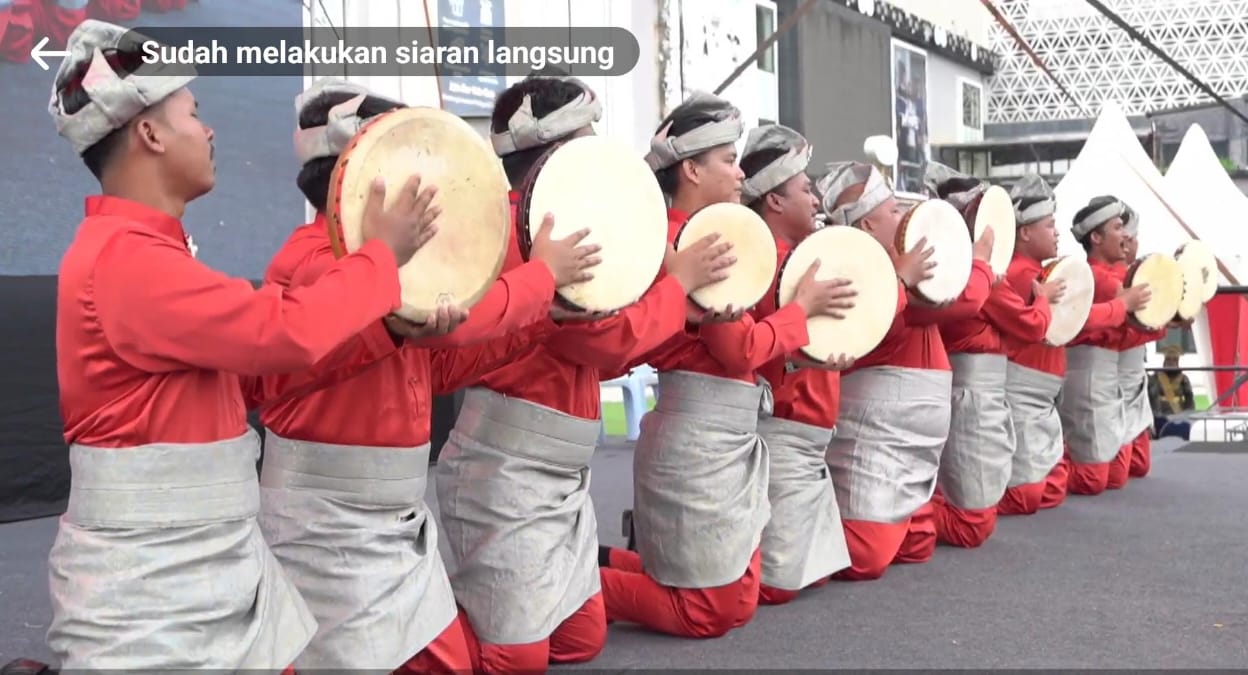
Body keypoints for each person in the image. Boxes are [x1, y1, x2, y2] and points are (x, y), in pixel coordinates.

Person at [44, 20, 435, 671]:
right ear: (150, 132)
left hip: (207, 565)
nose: (210, 129)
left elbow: (264, 372)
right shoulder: (127, 263)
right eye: (193, 114)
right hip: (159, 589)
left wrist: (389, 325)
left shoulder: (144, 255)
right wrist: (380, 259)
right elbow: (287, 332)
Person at [253, 78, 605, 674]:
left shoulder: (389, 267)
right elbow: (440, 333)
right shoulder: (316, 263)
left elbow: (434, 366)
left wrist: (539, 321)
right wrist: (541, 280)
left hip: (397, 514)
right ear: (362, 178)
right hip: (322, 520)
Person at [433, 76, 738, 674]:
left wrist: (676, 301)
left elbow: (611, 354)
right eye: (586, 137)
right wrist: (675, 287)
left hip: (561, 468)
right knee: (516, 658)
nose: (598, 148)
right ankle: (409, 629)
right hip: (503, 466)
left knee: (579, 641)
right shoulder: (518, 231)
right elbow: (604, 344)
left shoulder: (562, 223)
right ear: (554, 153)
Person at [597, 92, 856, 638]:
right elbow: (738, 350)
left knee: (736, 597)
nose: (741, 174)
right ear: (690, 168)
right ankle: (582, 586)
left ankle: (599, 567)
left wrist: (803, 339)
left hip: (720, 429)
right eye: (728, 160)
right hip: (697, 431)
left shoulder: (702, 234)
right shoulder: (691, 241)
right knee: (711, 610)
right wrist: (800, 314)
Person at [817, 160, 993, 579]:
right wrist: (983, 262)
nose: (904, 217)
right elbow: (965, 300)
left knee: (917, 545)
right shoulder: (857, 269)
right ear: (865, 228)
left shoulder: (903, 261)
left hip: (916, 424)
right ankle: (785, 535)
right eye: (893, 211)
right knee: (865, 558)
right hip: (881, 421)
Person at [735, 124, 854, 605]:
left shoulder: (810, 260)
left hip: (812, 434)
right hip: (781, 426)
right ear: (775, 201)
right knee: (776, 587)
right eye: (806, 188)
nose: (818, 199)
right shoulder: (759, 263)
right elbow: (757, 348)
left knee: (811, 577)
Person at [923, 163, 1059, 548]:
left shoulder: (967, 270)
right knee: (974, 523)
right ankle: (906, 517)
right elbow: (1032, 326)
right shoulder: (983, 274)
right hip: (972, 393)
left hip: (973, 389)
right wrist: (1045, 302)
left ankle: (911, 511)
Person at [1059, 195, 1152, 495]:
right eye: (1117, 227)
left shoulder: (1116, 276)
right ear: (1096, 238)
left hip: (1111, 370)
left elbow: (1135, 325)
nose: (1126, 235)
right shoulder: (1097, 277)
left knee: (1123, 470)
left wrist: (1170, 317)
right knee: (1094, 479)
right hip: (1089, 371)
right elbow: (1132, 319)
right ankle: (1050, 464)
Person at [1114, 211, 1169, 479]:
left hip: (1134, 370)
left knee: (1139, 464)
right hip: (1112, 374)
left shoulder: (1136, 278)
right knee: (1111, 471)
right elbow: (1116, 332)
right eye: (1128, 236)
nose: (1132, 243)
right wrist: (1158, 327)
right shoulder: (1109, 279)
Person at [1150, 345, 1195, 440]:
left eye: (1173, 360)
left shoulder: (1183, 378)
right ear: (1164, 361)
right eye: (1168, 359)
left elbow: (1189, 398)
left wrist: (1188, 414)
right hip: (1160, 414)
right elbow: (1151, 396)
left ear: (1177, 362)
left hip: (1178, 414)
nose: (1170, 362)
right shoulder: (1155, 377)